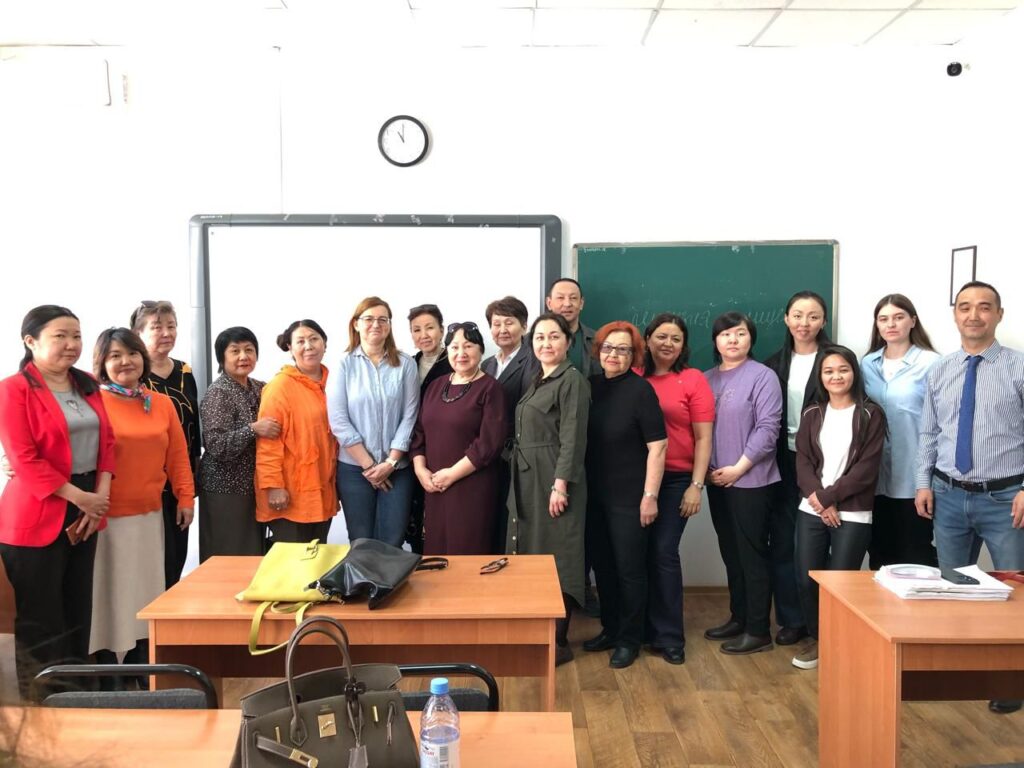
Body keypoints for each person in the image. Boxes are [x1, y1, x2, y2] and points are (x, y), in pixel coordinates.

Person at [914, 281, 1024, 715]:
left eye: (983, 307)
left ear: (999, 314)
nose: (973, 315)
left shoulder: (1018, 368)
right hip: (948, 496)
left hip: (1006, 498)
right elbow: (929, 432)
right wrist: (923, 483)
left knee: (1012, 591)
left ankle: (1011, 680)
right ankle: (958, 672)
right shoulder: (940, 370)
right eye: (964, 307)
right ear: (955, 314)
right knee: (954, 587)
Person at [0, 306, 114, 699]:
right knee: (41, 615)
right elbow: (23, 458)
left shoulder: (87, 384)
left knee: (78, 608)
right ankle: (43, 700)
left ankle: (77, 695)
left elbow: (108, 443)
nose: (71, 344)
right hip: (37, 508)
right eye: (60, 336)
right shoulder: (13, 389)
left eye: (76, 336)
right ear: (30, 341)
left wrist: (100, 496)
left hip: (88, 503)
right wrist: (82, 498)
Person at [90, 327, 194, 679]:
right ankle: (106, 667)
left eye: (132, 353)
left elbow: (178, 455)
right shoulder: (94, 403)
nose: (126, 361)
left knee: (146, 592)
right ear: (102, 363)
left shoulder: (160, 403)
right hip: (105, 518)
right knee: (107, 596)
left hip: (149, 514)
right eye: (115, 355)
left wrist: (185, 496)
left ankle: (139, 660)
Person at [794, 344, 886, 671]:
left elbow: (866, 469)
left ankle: (839, 646)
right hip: (812, 508)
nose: (836, 376)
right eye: (829, 371)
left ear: (854, 373)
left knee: (840, 584)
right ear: (820, 377)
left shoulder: (870, 414)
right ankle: (821, 641)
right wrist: (820, 500)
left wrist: (829, 497)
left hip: (853, 511)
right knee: (807, 579)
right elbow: (803, 462)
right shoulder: (812, 413)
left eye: (843, 370)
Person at [582, 322, 666, 669]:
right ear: (598, 351)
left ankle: (630, 639)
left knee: (630, 570)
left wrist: (650, 496)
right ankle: (611, 629)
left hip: (630, 497)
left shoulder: (641, 391)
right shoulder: (590, 386)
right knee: (603, 567)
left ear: (634, 355)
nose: (613, 355)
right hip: (594, 496)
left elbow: (658, 447)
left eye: (623, 349)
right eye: (608, 348)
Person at [508, 312, 590, 666]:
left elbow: (573, 436)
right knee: (533, 552)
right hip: (529, 479)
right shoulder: (537, 380)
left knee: (560, 555)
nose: (546, 343)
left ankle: (558, 641)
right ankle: (535, 634)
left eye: (554, 336)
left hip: (554, 479)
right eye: (539, 337)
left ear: (568, 342)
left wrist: (561, 485)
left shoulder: (572, 380)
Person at [703, 313, 784, 656]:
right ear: (716, 341)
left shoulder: (763, 376)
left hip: (751, 480)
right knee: (731, 552)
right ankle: (739, 617)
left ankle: (758, 629)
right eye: (725, 334)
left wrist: (738, 468)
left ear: (751, 339)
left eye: (740, 334)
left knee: (752, 554)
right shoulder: (705, 379)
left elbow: (768, 428)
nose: (733, 340)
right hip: (716, 480)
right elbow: (699, 430)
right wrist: (708, 470)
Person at [639, 312, 714, 665]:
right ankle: (641, 630)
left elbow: (704, 437)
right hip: (636, 480)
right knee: (637, 554)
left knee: (664, 551)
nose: (667, 343)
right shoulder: (633, 375)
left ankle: (669, 636)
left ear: (684, 345)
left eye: (676, 338)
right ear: (647, 339)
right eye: (661, 336)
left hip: (676, 479)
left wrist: (696, 486)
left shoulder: (693, 379)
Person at [763, 290, 832, 647]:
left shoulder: (835, 360)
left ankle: (823, 619)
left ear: (823, 321)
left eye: (813, 316)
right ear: (786, 319)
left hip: (824, 463)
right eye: (798, 315)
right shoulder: (773, 364)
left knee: (820, 541)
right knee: (783, 541)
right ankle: (792, 619)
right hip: (781, 461)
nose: (805, 323)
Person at [328, 297, 419, 547]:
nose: (376, 324)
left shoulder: (406, 364)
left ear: (389, 325)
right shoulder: (343, 365)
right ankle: (361, 577)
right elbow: (339, 420)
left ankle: (392, 578)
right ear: (356, 324)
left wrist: (390, 463)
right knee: (361, 541)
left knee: (393, 540)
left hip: (397, 469)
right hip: (354, 470)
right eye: (368, 319)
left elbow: (410, 415)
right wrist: (369, 467)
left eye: (382, 319)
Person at [410, 322, 507, 555]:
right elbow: (419, 432)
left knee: (468, 551)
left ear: (481, 350)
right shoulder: (435, 386)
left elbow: (489, 443)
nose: (461, 353)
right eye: (454, 347)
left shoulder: (491, 388)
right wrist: (420, 470)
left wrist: (451, 474)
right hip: (434, 486)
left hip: (472, 486)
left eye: (468, 346)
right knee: (436, 553)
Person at [861, 294, 940, 569]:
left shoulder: (932, 363)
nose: (891, 324)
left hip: (914, 478)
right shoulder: (866, 364)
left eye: (898, 317)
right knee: (880, 557)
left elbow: (942, 423)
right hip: (875, 479)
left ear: (913, 321)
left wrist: (926, 481)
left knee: (916, 556)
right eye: (883, 319)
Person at [130, 300, 201, 589]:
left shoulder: (184, 371)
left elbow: (194, 424)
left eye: (171, 326)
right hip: (144, 480)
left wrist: (192, 478)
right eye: (157, 327)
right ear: (138, 333)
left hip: (181, 477)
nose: (166, 333)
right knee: (146, 559)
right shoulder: (132, 375)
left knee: (175, 554)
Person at [198, 327, 280, 560]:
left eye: (249, 350)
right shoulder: (219, 392)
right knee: (229, 555)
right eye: (235, 351)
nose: (243, 356)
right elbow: (216, 445)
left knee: (253, 553)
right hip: (225, 488)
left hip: (253, 486)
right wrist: (252, 429)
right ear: (221, 358)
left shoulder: (260, 387)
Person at [254, 319, 338, 544]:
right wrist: (273, 486)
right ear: (290, 348)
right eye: (300, 341)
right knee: (292, 560)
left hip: (322, 490)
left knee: (318, 556)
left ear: (324, 343)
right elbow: (268, 443)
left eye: (314, 339)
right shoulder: (280, 387)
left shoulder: (334, 383)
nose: (308, 346)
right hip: (289, 493)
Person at [545, 277, 599, 615]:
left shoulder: (598, 341)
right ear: (549, 303)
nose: (567, 303)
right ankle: (558, 592)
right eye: (560, 298)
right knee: (559, 523)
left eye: (573, 298)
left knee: (588, 521)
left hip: (596, 441)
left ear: (582, 303)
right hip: (554, 449)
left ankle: (583, 588)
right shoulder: (539, 342)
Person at [481, 295, 538, 552]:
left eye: (509, 322)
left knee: (513, 524)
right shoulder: (487, 364)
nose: (502, 329)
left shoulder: (533, 360)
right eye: (496, 324)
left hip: (517, 454)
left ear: (524, 326)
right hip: (490, 455)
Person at [406, 304, 453, 554]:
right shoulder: (407, 364)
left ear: (442, 330)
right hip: (411, 449)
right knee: (412, 517)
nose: (423, 335)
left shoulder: (454, 361)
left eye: (430, 328)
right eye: (416, 330)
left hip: (442, 449)